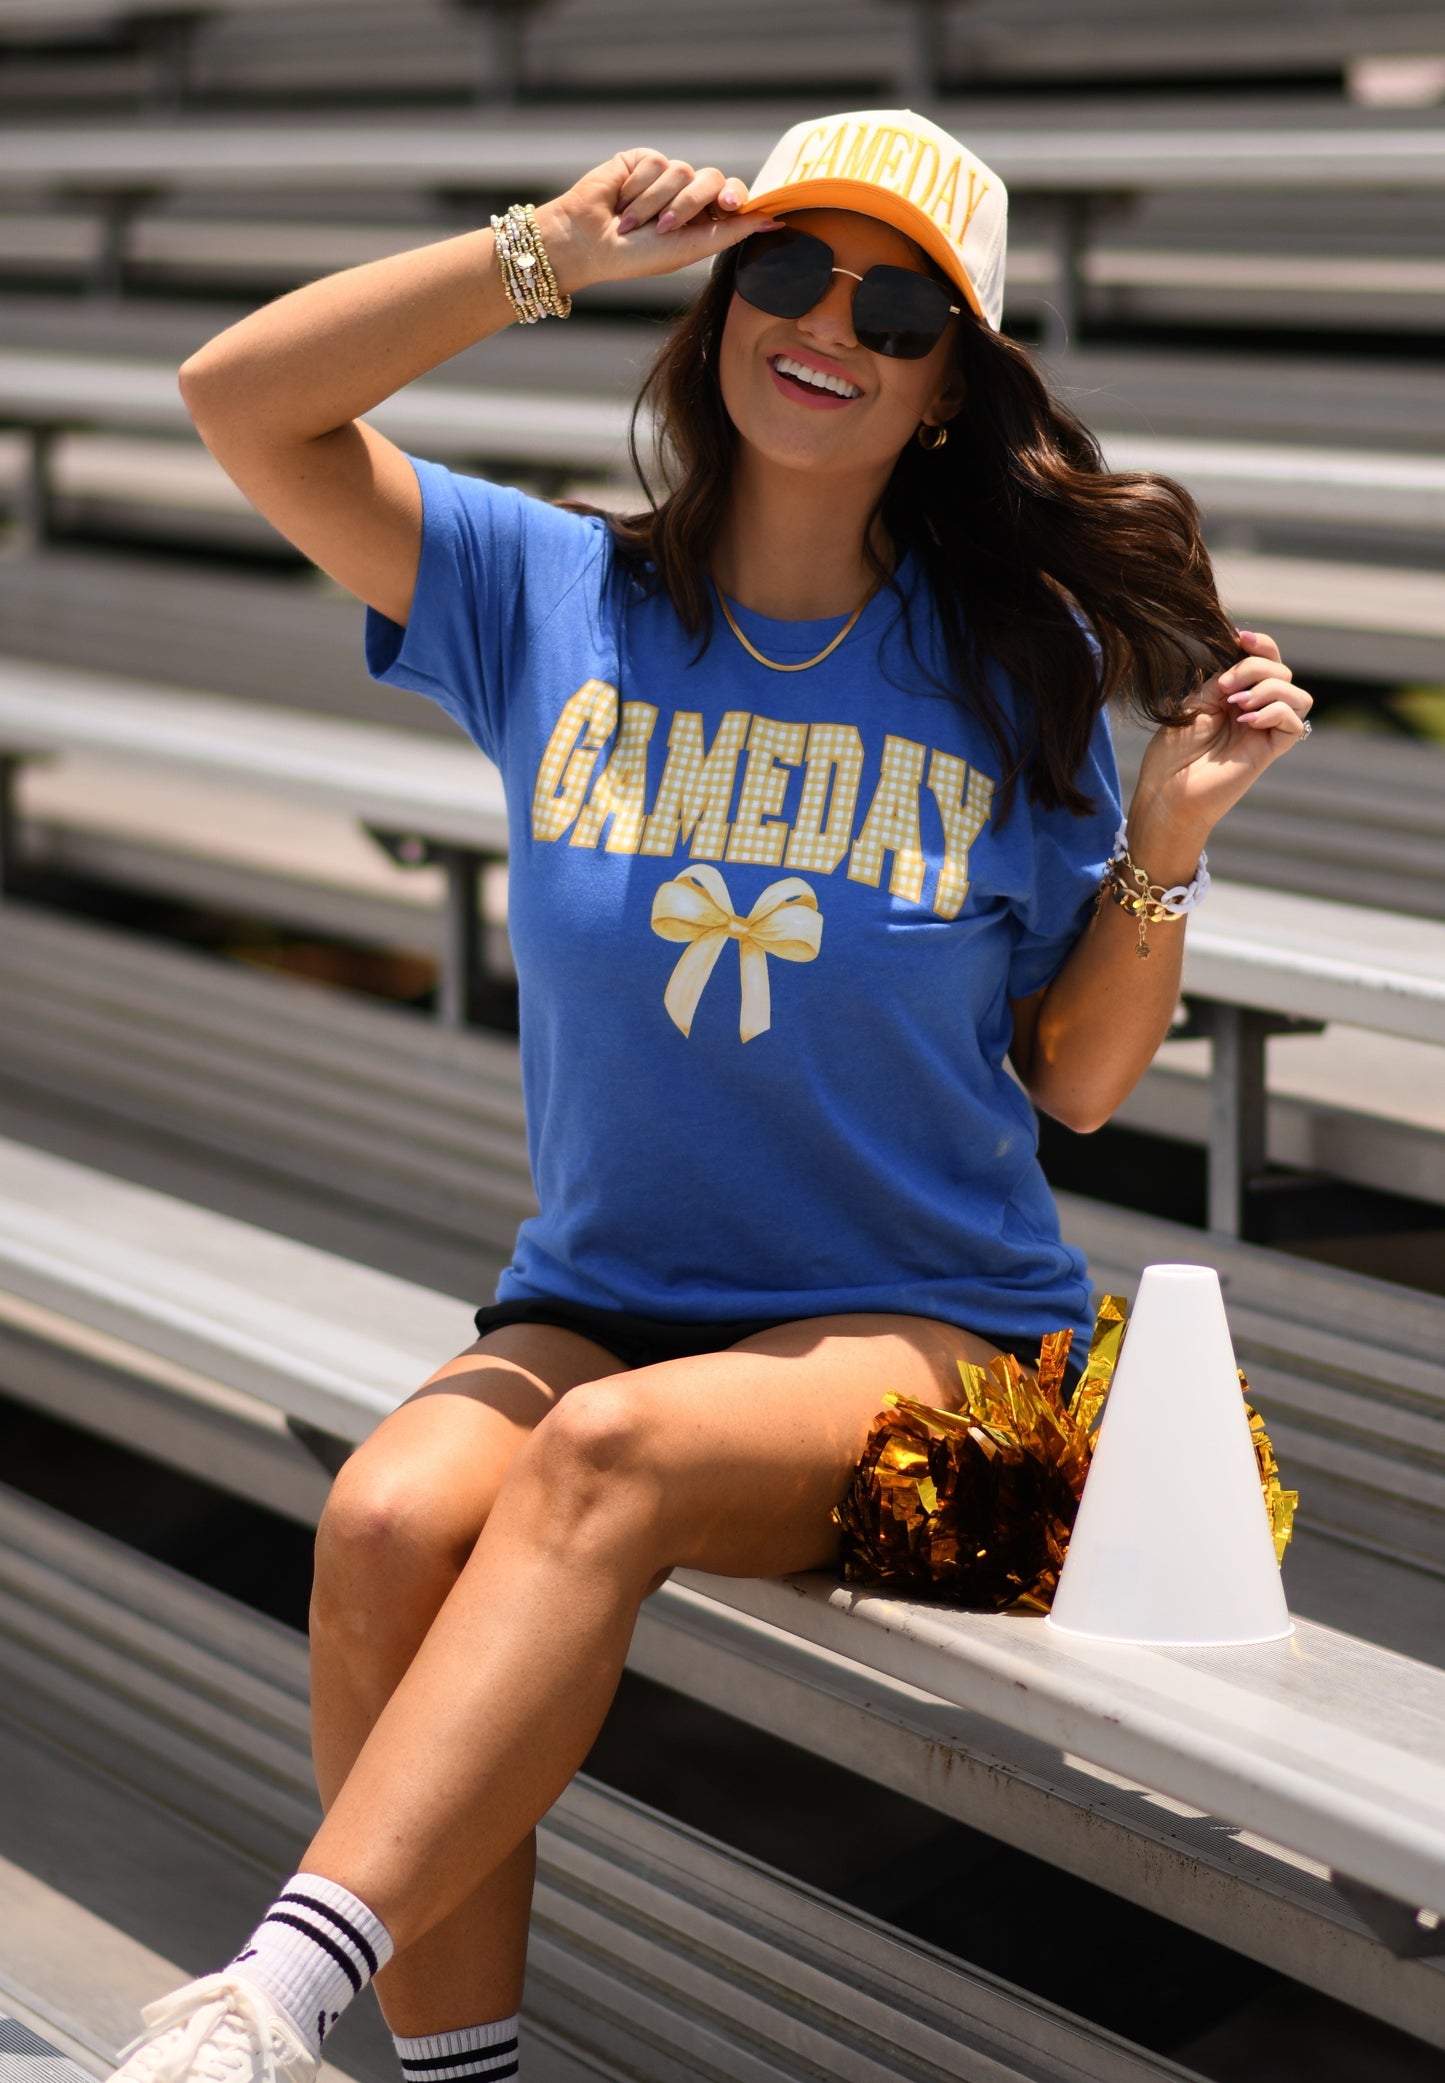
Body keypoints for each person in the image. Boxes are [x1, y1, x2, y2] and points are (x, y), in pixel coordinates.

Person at [114, 109, 1311, 2083]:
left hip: (944, 1348)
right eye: (785, 270)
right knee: (388, 1517)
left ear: (950, 389)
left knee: (605, 1467)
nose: (829, 322)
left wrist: (1167, 840)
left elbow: (1080, 1082)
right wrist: (548, 251)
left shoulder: (1021, 666)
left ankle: (268, 2002)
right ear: (717, 303)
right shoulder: (546, 597)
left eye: (899, 305)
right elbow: (239, 400)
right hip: (608, 1298)